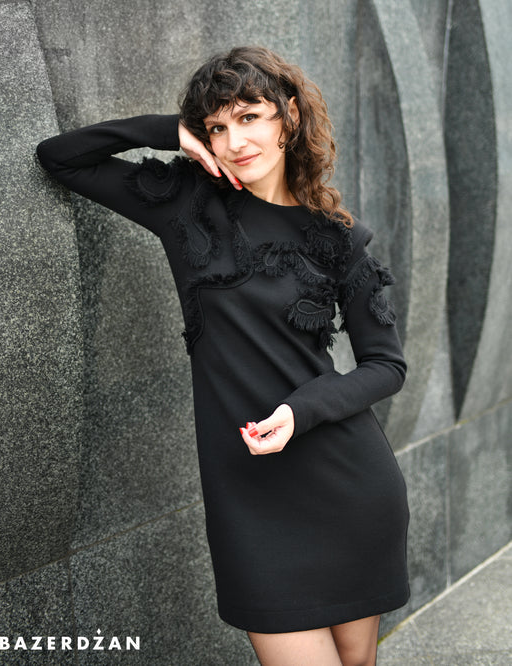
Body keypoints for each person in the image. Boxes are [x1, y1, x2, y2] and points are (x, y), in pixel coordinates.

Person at [36, 45, 410, 666]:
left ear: (289, 117)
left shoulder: (338, 239)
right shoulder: (186, 203)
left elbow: (386, 365)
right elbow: (59, 157)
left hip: (349, 484)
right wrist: (170, 134)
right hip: (248, 493)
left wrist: (299, 411)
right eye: (217, 126)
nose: (234, 141)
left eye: (249, 117)